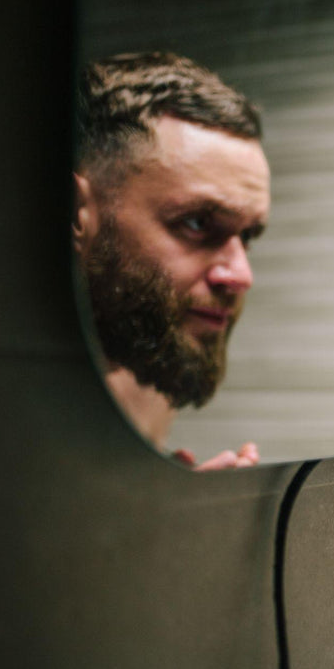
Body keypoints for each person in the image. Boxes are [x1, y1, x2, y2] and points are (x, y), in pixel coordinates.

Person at [73, 52, 269, 470]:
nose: (241, 276)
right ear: (75, 214)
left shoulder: (144, 384)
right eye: (198, 223)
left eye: (248, 235)